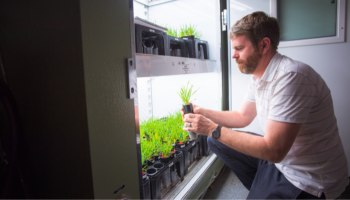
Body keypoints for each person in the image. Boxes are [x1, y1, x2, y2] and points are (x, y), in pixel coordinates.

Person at [182, 11, 349, 199]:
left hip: (308, 179)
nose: (233, 55)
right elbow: (242, 116)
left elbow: (273, 151)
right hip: (283, 161)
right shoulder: (259, 76)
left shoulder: (292, 77)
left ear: (264, 45)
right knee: (215, 142)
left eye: (239, 48)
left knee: (216, 135)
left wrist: (212, 128)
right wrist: (203, 113)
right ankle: (263, 188)